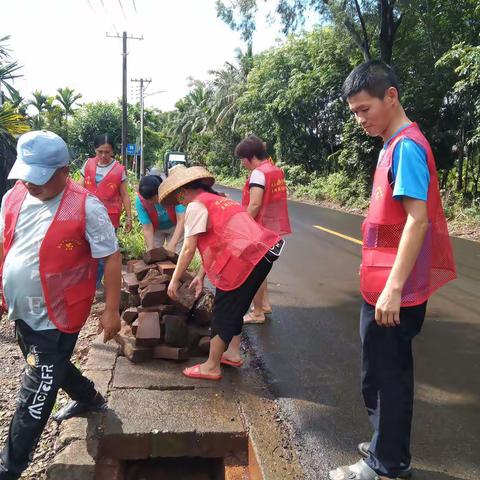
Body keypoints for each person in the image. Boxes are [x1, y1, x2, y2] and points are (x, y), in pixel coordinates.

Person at [329, 61, 456, 480]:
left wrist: (394, 289)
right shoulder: (390, 145)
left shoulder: (405, 147)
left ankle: (386, 464)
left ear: (391, 97)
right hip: (381, 286)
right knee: (379, 373)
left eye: (364, 109)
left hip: (393, 292)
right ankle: (386, 444)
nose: (359, 118)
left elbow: (417, 220)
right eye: (353, 112)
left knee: (388, 378)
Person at [0, 131, 122, 480]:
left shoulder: (86, 206)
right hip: (22, 308)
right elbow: (5, 243)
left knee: (36, 390)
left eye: (38, 176)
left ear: (64, 171)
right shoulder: (13, 196)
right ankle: (89, 397)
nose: (29, 183)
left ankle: (10, 467)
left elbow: (110, 257)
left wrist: (111, 310)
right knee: (46, 363)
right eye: (26, 173)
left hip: (59, 313)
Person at [158, 166, 283, 380]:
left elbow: (188, 248)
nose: (179, 202)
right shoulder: (219, 200)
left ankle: (211, 365)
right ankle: (232, 353)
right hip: (264, 251)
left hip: (244, 259)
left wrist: (174, 280)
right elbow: (221, 241)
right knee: (239, 305)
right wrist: (199, 276)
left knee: (223, 310)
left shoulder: (196, 207)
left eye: (178, 197)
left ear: (183, 192)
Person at [236, 135, 291, 324]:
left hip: (257, 231)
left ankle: (257, 313)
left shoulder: (258, 174)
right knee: (262, 269)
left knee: (253, 272)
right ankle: (265, 304)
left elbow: (255, 204)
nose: (242, 163)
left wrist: (241, 227)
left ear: (250, 156)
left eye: (242, 159)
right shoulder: (275, 170)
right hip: (270, 229)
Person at [79, 133, 132, 233]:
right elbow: (79, 189)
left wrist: (129, 218)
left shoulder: (120, 170)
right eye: (100, 151)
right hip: (88, 215)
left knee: (108, 247)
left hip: (109, 218)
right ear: (95, 149)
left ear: (112, 151)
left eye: (107, 152)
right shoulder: (88, 164)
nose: (103, 155)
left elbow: (125, 195)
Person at [136, 174, 185, 253]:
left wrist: (173, 244)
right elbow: (147, 227)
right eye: (147, 199)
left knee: (175, 254)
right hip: (156, 229)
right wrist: (150, 247)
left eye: (152, 199)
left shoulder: (173, 193)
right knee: (153, 254)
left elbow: (181, 219)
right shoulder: (140, 202)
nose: (149, 202)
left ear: (160, 191)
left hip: (175, 226)